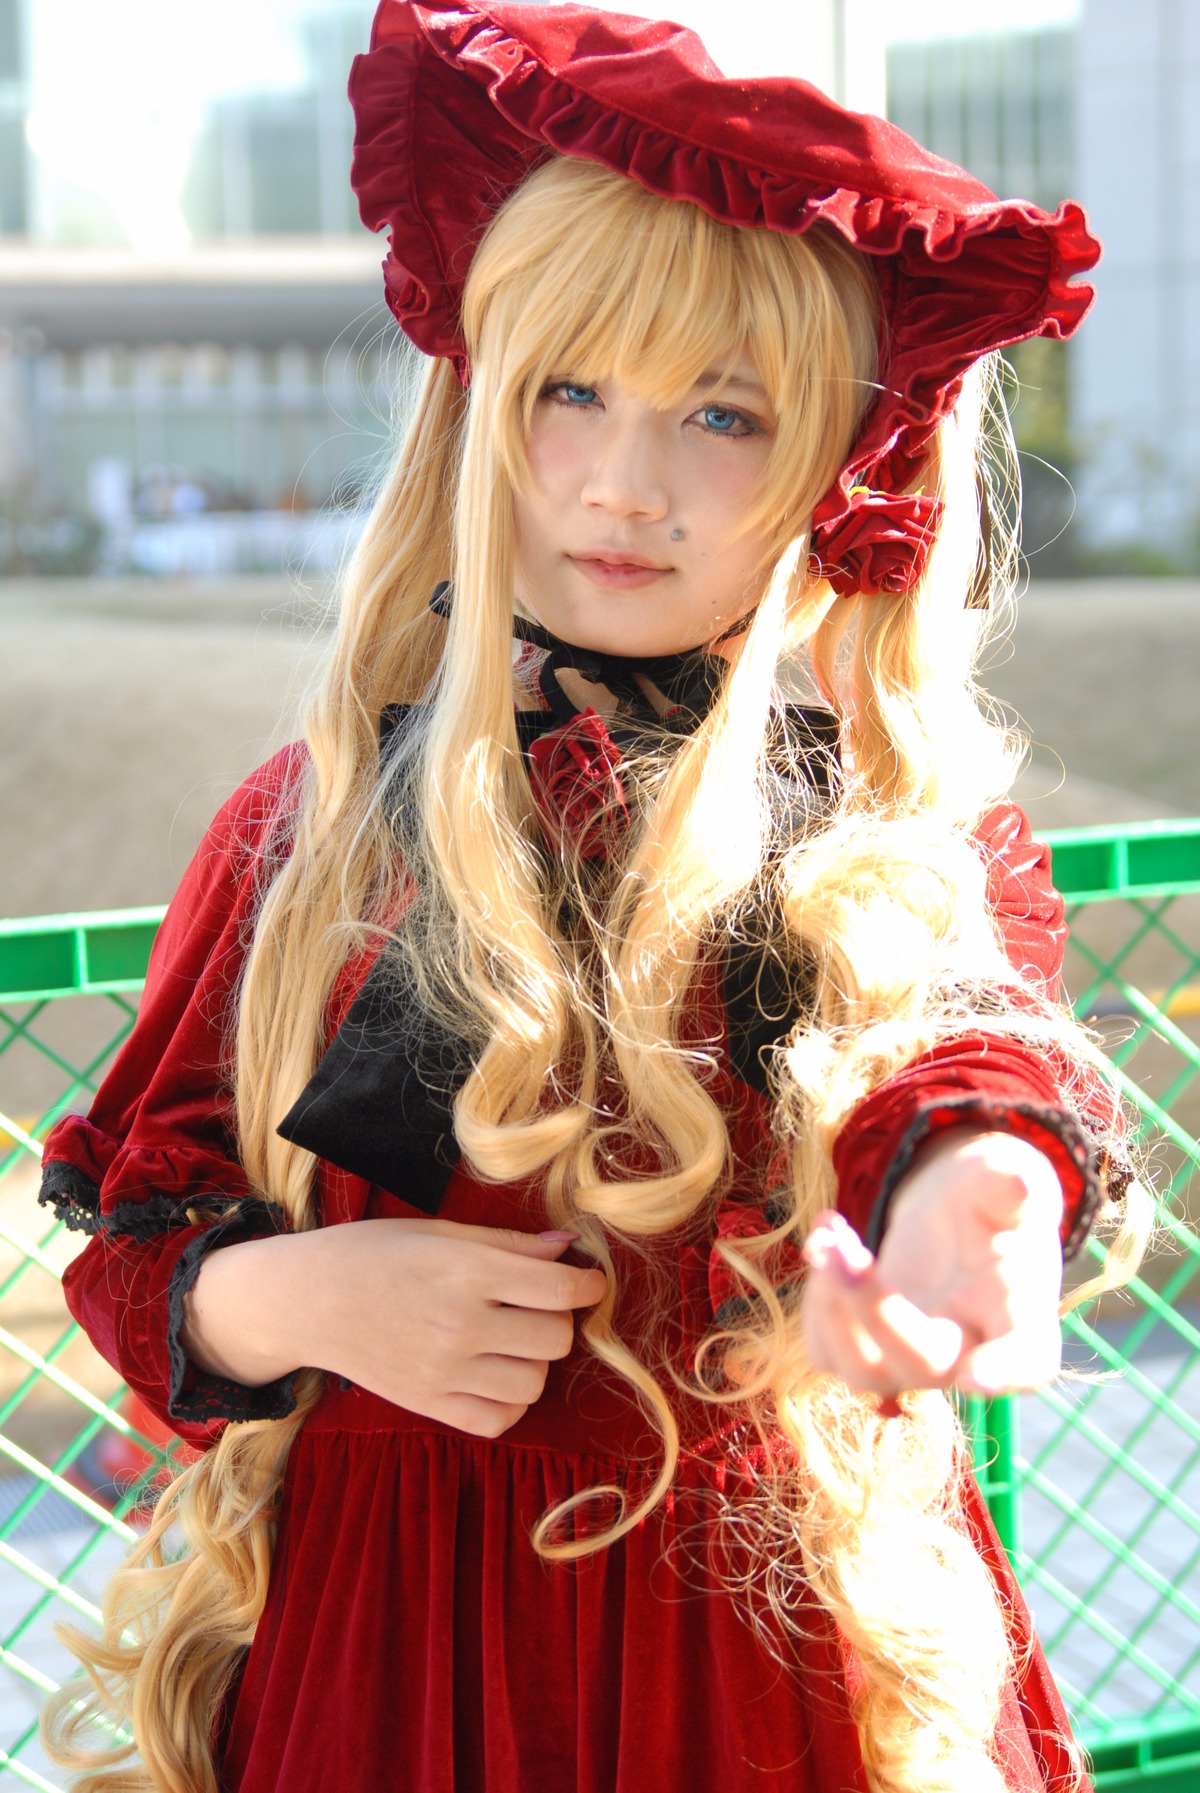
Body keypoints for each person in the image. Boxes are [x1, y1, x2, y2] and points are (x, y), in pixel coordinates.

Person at [39, 4, 1148, 1790]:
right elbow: (138, 1232)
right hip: (382, 1669)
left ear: (841, 462)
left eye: (724, 413)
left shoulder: (877, 834)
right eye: (572, 390)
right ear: (480, 401)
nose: (622, 487)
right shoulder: (317, 829)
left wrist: (975, 1212)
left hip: (761, 1656)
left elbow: (973, 1081)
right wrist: (306, 1300)